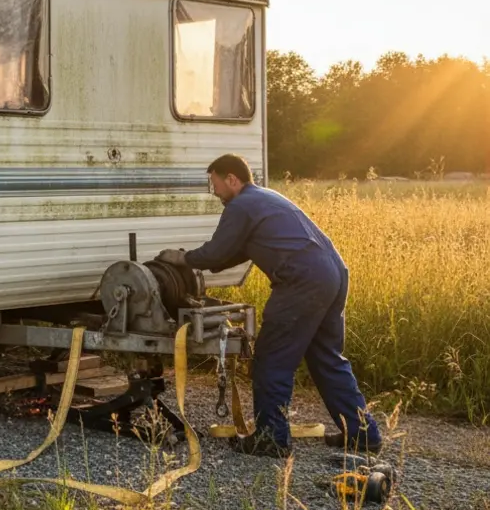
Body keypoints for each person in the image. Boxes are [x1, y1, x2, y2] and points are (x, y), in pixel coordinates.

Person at [157, 154, 382, 457]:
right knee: (327, 358)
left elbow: (216, 253)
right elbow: (231, 254)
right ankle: (362, 433)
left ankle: (271, 439)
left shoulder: (240, 206)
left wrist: (181, 258)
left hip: (301, 281)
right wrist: (203, 261)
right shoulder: (265, 198)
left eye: (216, 186)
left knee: (271, 358)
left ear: (232, 179)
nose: (216, 194)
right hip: (333, 274)